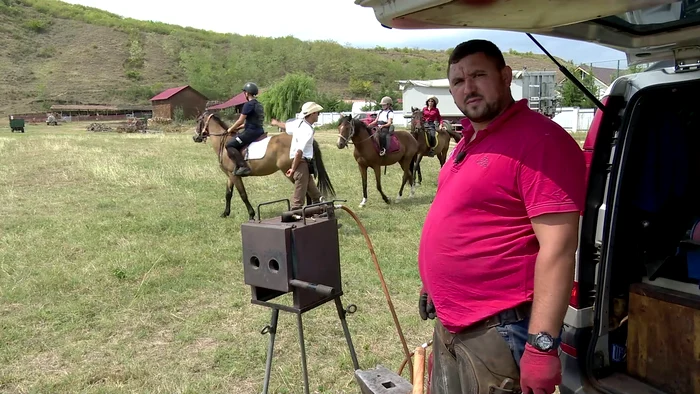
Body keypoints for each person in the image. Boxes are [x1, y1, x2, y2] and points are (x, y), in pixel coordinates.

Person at [417, 39, 586, 394]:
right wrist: (432, 283)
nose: (469, 88)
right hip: (452, 324)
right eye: (458, 82)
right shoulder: (469, 139)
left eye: (478, 75)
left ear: (506, 76)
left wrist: (542, 347)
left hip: (499, 328)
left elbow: (558, 249)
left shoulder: (539, 141)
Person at [271, 102, 324, 210]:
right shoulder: (307, 130)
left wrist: (276, 123)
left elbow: (286, 126)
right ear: (312, 113)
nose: (319, 115)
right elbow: (299, 152)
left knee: (315, 194)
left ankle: (321, 208)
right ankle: (295, 214)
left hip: (303, 164)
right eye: (318, 113)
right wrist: (293, 169)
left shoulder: (298, 123)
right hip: (302, 163)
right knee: (298, 197)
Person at [225, 82, 265, 177]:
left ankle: (243, 167)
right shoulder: (259, 105)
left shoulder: (248, 105)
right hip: (259, 130)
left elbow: (240, 120)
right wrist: (241, 127)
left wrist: (230, 129)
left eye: (245, 92)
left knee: (230, 145)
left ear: (247, 93)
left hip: (251, 132)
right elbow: (253, 120)